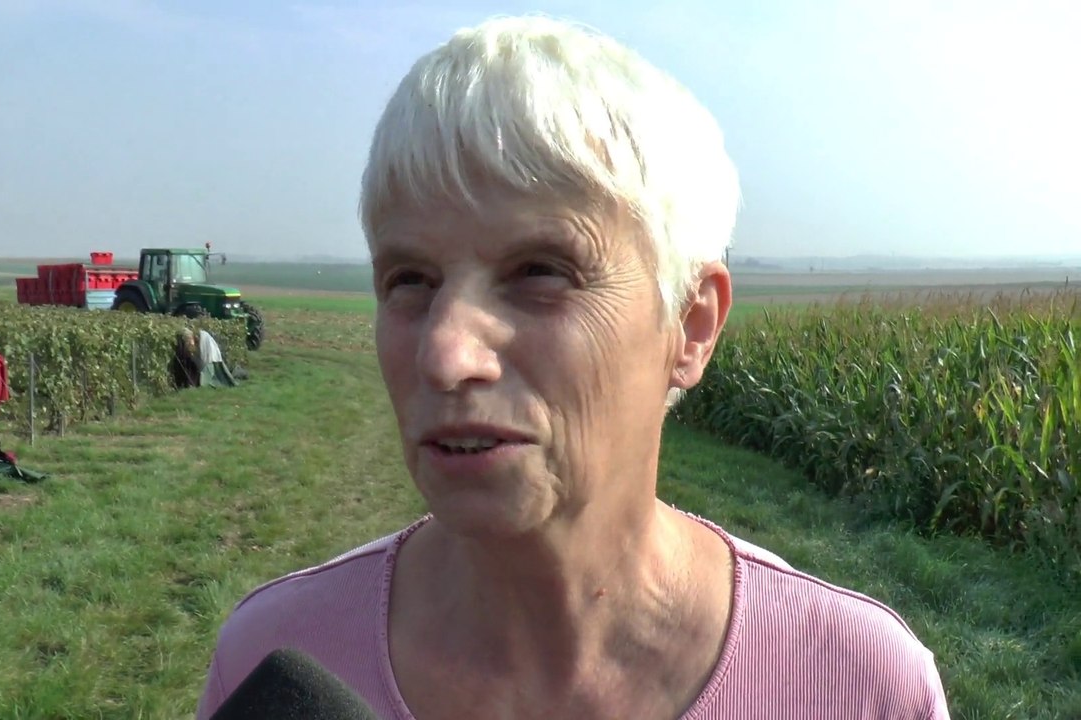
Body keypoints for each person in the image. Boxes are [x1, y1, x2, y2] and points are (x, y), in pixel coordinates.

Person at [196, 14, 949, 720]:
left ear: (690, 324)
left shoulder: (857, 684)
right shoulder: (273, 661)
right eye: (410, 281)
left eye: (540, 271)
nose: (444, 353)